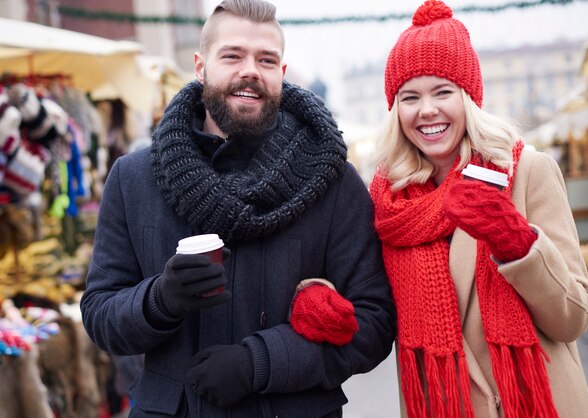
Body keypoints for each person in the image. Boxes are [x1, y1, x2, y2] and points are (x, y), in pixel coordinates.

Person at [79, 0, 396, 417]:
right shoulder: (134, 178)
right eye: (232, 55)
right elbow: (100, 315)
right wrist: (160, 300)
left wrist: (261, 362)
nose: (250, 70)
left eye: (266, 59)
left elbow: (373, 323)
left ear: (280, 75)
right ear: (200, 66)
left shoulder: (332, 180)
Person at [368, 1, 588, 417]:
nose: (427, 110)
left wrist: (518, 245)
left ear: (469, 97)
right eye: (409, 97)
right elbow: (369, 300)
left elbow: (575, 317)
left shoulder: (525, 171)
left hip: (536, 403)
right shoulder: (389, 202)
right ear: (394, 108)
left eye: (443, 91)